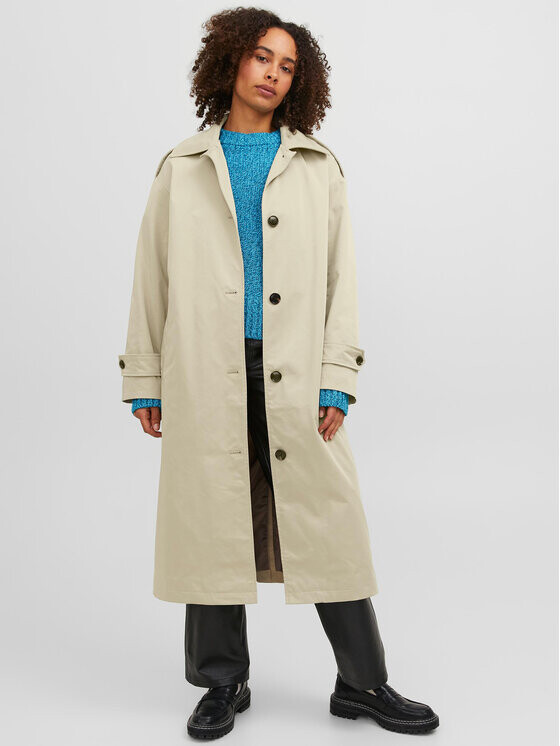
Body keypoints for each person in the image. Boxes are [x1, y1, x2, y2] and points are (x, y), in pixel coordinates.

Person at [118, 6, 439, 740]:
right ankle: (221, 683)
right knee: (211, 522)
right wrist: (146, 378)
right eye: (262, 56)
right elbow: (151, 277)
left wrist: (337, 375)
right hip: (207, 370)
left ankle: (362, 682)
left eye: (288, 65)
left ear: (300, 81)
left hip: (293, 369)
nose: (272, 73)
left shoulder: (319, 167)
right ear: (231, 60)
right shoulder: (182, 166)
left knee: (329, 520)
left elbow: (340, 280)